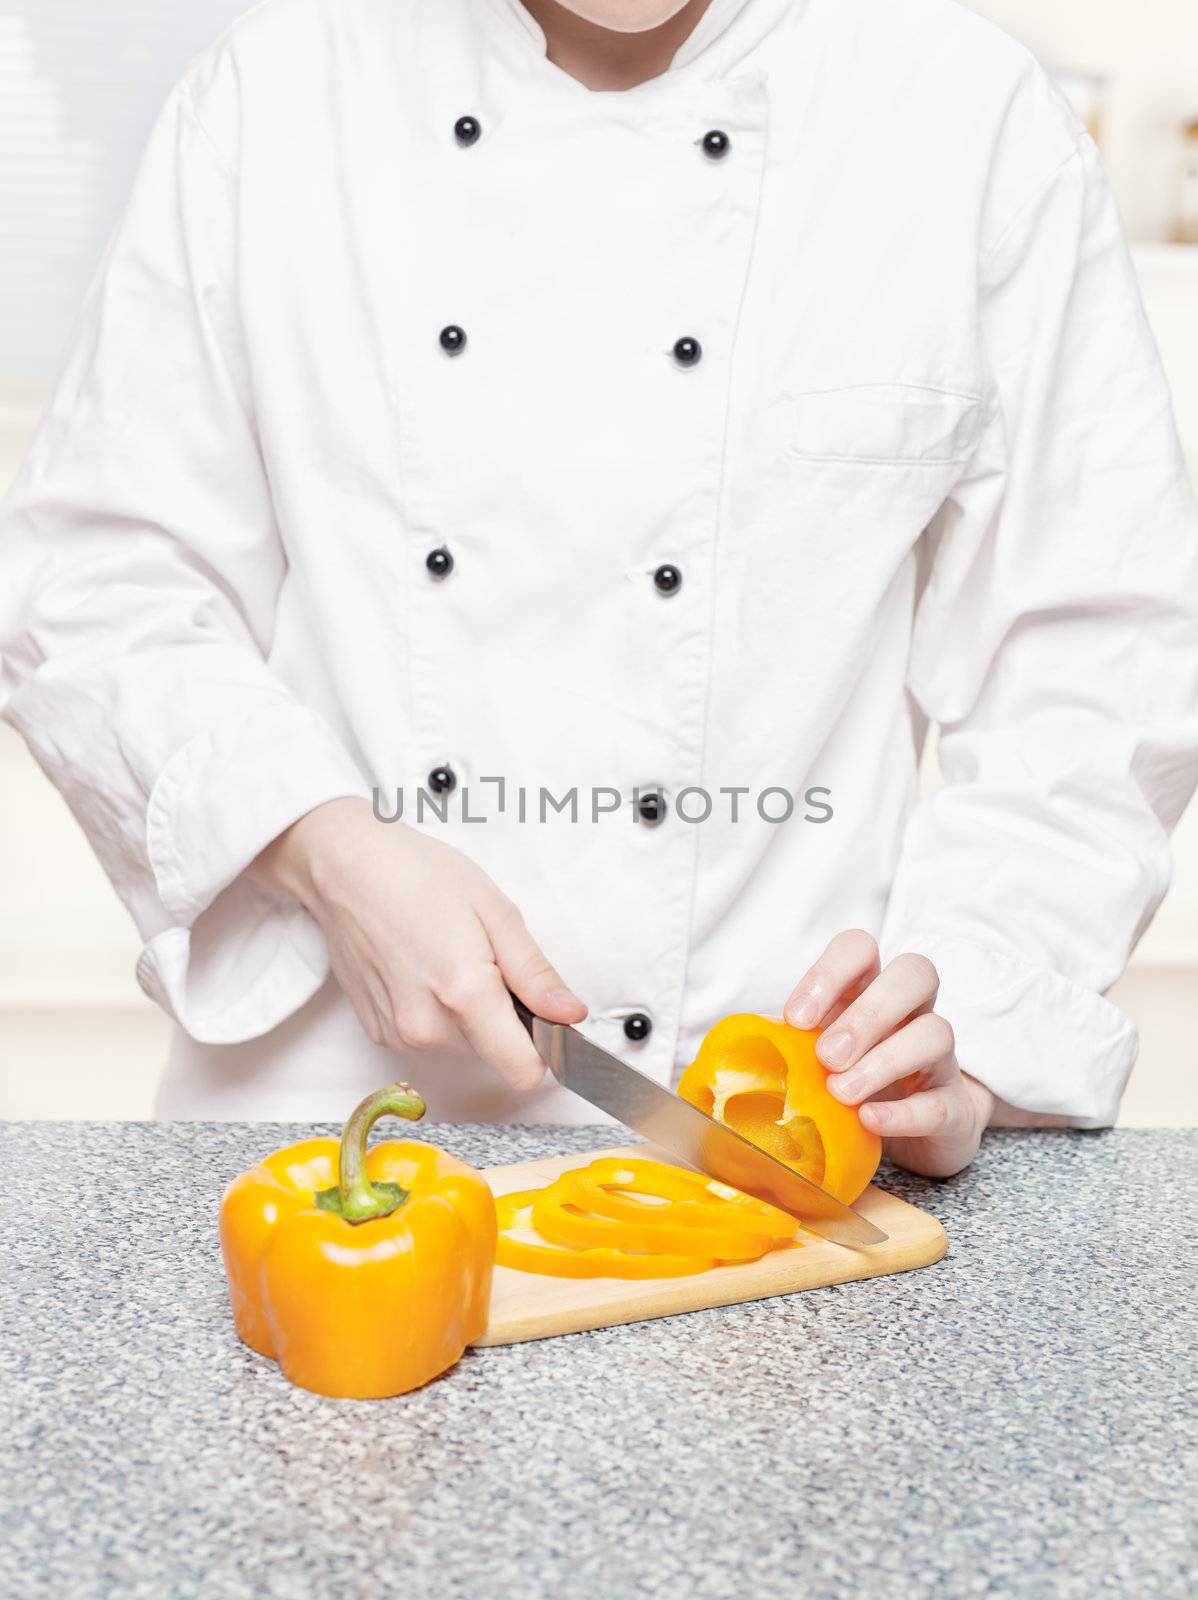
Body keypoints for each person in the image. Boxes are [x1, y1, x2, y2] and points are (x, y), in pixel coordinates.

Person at [2, 0, 1196, 1178]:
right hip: (327, 1132)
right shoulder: (271, 95)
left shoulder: (965, 116)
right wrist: (324, 851)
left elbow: (1098, 654)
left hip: (770, 1123)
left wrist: (967, 1018)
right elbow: (95, 585)